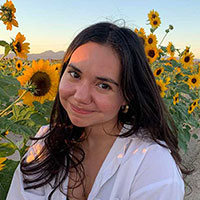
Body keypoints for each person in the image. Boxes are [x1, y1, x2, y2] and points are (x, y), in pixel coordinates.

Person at [7, 22, 186, 200]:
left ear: (128, 94)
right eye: (75, 75)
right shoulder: (45, 144)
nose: (80, 96)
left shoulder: (152, 166)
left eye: (103, 85)